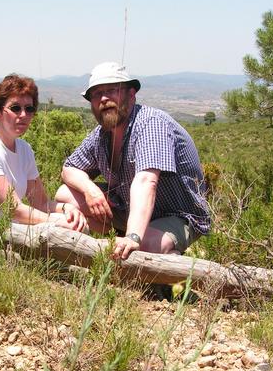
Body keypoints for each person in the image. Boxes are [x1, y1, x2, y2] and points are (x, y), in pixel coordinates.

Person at [55, 62, 210, 260]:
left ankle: (170, 267)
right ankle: (120, 240)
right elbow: (69, 169)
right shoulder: (101, 136)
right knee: (65, 193)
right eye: (96, 94)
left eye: (112, 90)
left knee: (144, 247)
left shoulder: (150, 123)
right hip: (129, 207)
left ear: (131, 94)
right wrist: (90, 190)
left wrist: (133, 236)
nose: (104, 98)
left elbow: (146, 181)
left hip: (177, 215)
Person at [0, 74, 88, 232]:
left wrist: (67, 209)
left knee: (78, 225)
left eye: (29, 109)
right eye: (15, 108)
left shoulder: (24, 149)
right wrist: (55, 222)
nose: (23, 115)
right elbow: (13, 208)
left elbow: (41, 204)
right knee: (66, 230)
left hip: (15, 226)